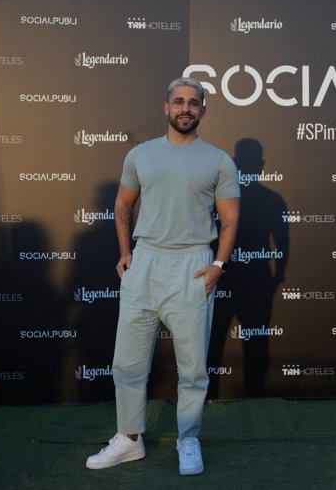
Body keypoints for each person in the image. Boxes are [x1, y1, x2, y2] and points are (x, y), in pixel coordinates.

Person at [86, 77, 240, 476]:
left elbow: (230, 218)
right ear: (166, 107)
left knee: (193, 368)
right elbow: (122, 205)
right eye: (179, 101)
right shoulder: (140, 155)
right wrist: (126, 253)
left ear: (203, 109)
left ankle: (188, 439)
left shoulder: (219, 161)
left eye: (193, 102)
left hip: (193, 265)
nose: (186, 108)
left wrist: (218, 266)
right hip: (146, 262)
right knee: (127, 363)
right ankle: (129, 439)